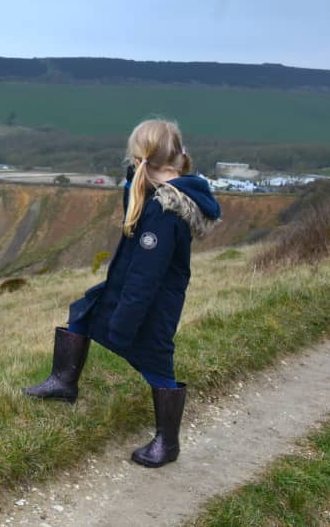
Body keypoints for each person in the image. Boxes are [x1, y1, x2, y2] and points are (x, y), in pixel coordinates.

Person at [23, 119, 221, 467]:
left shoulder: (165, 211)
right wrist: (139, 171)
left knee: (157, 362)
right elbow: (135, 190)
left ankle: (167, 443)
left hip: (148, 303)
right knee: (83, 312)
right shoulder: (156, 192)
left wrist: (124, 324)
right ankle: (63, 381)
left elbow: (146, 277)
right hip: (125, 289)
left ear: (142, 157)